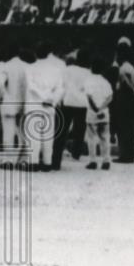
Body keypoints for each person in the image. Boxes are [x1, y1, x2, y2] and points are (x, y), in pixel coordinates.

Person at [22, 42, 65, 171]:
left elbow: (31, 86)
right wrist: (52, 100)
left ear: (36, 53)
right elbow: (61, 89)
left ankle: (33, 162)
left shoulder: (30, 68)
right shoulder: (56, 70)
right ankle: (47, 162)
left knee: (33, 135)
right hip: (49, 105)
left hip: (34, 104)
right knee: (48, 135)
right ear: (49, 54)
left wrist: (42, 96)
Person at [84, 56, 114, 170]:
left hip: (92, 112)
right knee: (105, 137)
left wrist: (96, 109)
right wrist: (102, 108)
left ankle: (93, 161)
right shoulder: (105, 81)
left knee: (91, 137)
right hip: (104, 112)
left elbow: (89, 97)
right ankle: (106, 160)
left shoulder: (89, 80)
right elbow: (110, 97)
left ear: (91, 68)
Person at [112, 37, 134, 164]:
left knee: (124, 128)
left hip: (125, 99)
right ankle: (129, 154)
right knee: (129, 128)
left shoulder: (123, 69)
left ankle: (125, 155)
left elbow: (128, 86)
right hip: (130, 99)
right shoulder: (130, 67)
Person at [61, 47, 91, 161]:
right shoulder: (88, 72)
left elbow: (63, 83)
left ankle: (60, 149)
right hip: (82, 103)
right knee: (80, 129)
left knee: (64, 128)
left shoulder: (69, 69)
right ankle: (76, 153)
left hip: (68, 100)